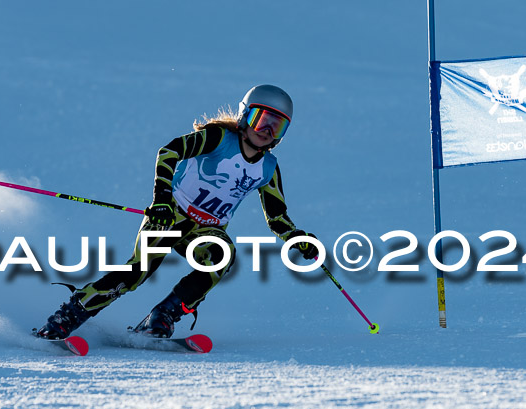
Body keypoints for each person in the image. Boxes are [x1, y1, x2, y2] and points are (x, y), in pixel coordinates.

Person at [36, 84, 318, 339]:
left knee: (221, 255)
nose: (266, 132)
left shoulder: (268, 168)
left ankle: (163, 316)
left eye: (276, 127)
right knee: (137, 273)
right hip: (171, 215)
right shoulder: (218, 138)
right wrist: (161, 200)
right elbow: (169, 152)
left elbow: (277, 217)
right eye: (261, 121)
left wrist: (297, 239)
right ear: (245, 116)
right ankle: (66, 317)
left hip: (207, 230)